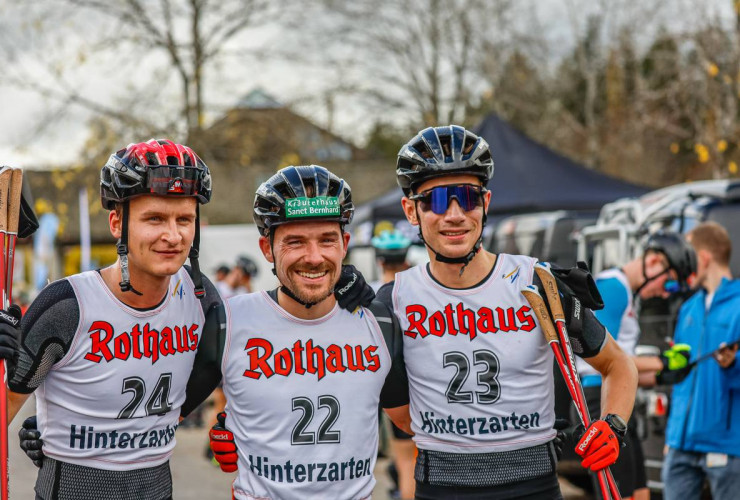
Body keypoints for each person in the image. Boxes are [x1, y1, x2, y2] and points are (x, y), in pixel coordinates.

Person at [5, 142, 373, 499]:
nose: (172, 235)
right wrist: (49, 427)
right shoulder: (66, 305)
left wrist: (339, 280)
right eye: (154, 219)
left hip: (158, 487)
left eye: (185, 219)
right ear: (117, 222)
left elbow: (279, 350)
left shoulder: (200, 297)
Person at [378, 125, 638, 499]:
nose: (454, 214)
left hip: (535, 486)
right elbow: (401, 415)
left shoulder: (537, 281)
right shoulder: (394, 300)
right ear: (411, 210)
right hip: (442, 487)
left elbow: (618, 365)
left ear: (486, 202)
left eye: (467, 197)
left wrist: (612, 426)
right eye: (436, 201)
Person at [205, 165, 409, 499]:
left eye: (327, 240)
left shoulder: (379, 321)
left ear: (344, 244)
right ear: (267, 248)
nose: (313, 258)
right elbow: (153, 418)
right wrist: (231, 421)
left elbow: (414, 422)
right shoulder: (226, 321)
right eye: (295, 241)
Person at [574, 230, 696, 500]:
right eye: (670, 284)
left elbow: (624, 365)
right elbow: (602, 361)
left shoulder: (625, 292)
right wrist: (660, 362)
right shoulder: (614, 287)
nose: (666, 294)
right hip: (600, 400)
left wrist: (663, 376)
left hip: (618, 399)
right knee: (621, 495)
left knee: (640, 493)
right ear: (653, 262)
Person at [661, 221, 740, 500]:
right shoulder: (688, 308)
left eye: (687, 256)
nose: (680, 267)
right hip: (680, 444)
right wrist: (672, 435)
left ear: (703, 258)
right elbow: (681, 375)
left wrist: (733, 363)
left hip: (728, 447)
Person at [370, 229, 415, 499]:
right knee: (411, 460)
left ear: (380, 261)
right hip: (411, 385)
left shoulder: (370, 292)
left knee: (402, 459)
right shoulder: (414, 290)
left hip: (378, 382)